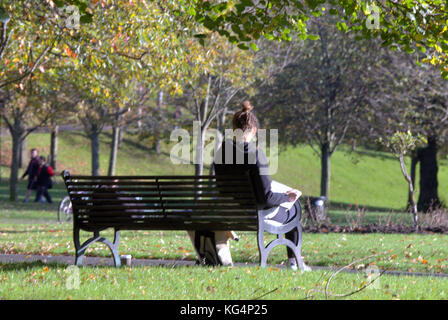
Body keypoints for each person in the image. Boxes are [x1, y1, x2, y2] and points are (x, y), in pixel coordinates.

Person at [213, 100, 306, 270]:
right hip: (254, 212)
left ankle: (294, 262)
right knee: (293, 211)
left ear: (233, 129)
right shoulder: (256, 155)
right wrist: (287, 196)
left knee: (285, 201)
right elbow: (266, 198)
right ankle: (294, 262)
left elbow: (222, 188)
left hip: (231, 211)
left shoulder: (221, 153)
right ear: (254, 130)